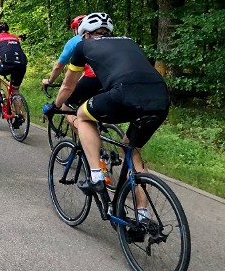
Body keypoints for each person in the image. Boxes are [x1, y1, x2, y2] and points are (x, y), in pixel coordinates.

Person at [43, 12, 170, 211]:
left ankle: (96, 176)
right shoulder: (128, 41)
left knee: (82, 117)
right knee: (131, 149)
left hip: (124, 93)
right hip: (161, 98)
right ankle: (143, 216)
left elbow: (68, 87)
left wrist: (56, 106)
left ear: (84, 33)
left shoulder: (82, 45)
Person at [0, 22, 27, 119]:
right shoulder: (15, 37)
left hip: (8, 63)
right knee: (15, 90)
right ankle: (19, 116)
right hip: (22, 64)